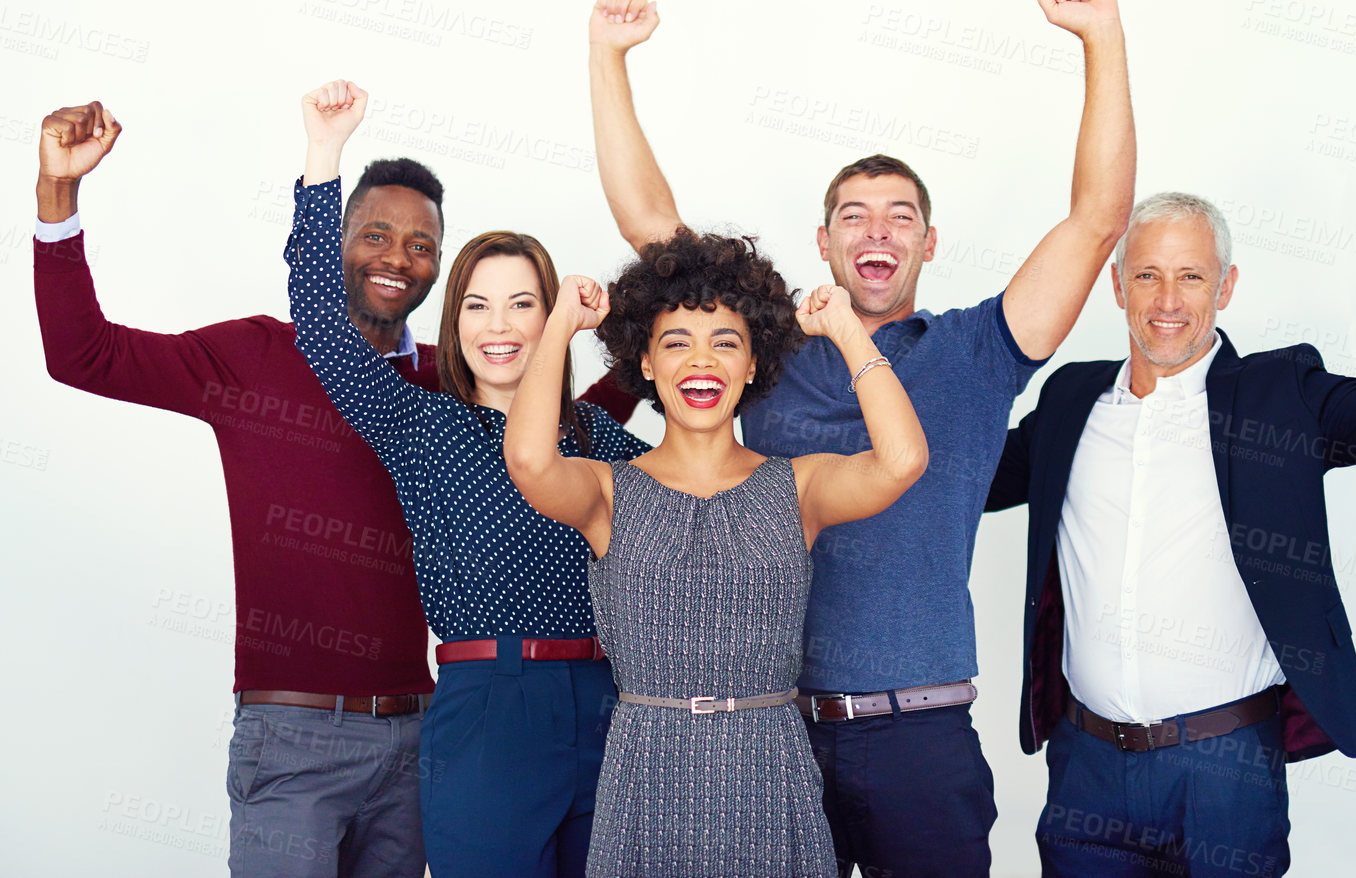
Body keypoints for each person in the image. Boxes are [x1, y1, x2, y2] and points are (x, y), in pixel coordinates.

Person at [586, 0, 1136, 877]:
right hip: (772, 735)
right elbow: (653, 225)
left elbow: (1096, 219)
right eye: (854, 215)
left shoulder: (978, 352)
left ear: (928, 243)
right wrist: (608, 58)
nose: (876, 230)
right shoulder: (756, 351)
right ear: (825, 242)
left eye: (900, 216)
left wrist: (1102, 37)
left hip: (918, 735)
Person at [984, 181, 1356, 875]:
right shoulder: (1072, 399)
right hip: (1086, 766)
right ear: (1116, 285)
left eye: (1191, 277)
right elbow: (951, 480)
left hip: (1226, 768)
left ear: (1226, 287)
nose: (1166, 302)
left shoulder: (1284, 399)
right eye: (1147, 276)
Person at [33, 100, 446, 877]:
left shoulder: (446, 385)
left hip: (417, 744)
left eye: (421, 244)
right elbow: (81, 355)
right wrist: (58, 197)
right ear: (336, 244)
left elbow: (559, 441)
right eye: (377, 235)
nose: (398, 256)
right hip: (291, 743)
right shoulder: (253, 357)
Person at [289, 80, 646, 878]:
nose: (499, 326)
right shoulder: (424, 426)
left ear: (553, 318)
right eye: (478, 305)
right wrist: (323, 154)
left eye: (523, 304)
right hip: (489, 704)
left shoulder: (605, 443)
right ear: (455, 322)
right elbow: (318, 319)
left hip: (614, 706)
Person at [501, 227, 929, 878]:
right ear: (645, 362)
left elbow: (902, 460)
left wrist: (846, 329)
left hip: (769, 771)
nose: (701, 362)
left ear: (753, 363)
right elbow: (530, 460)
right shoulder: (609, 492)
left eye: (725, 343)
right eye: (676, 343)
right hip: (649, 775)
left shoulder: (800, 486)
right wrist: (560, 324)